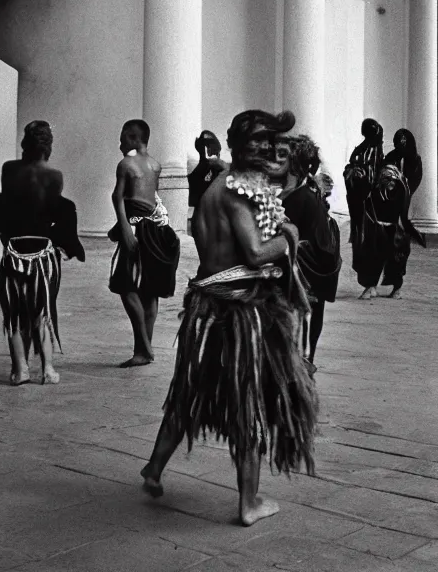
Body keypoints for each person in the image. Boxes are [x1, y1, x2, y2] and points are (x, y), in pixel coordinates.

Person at [140, 110, 318, 527]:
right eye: (258, 139)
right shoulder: (235, 190)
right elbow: (256, 252)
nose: (267, 147)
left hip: (210, 307)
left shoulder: (225, 183)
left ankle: (153, 469)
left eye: (271, 140)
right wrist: (289, 235)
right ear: (239, 143)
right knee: (249, 404)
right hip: (237, 315)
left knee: (188, 394)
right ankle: (248, 502)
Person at [0, 120, 85, 386]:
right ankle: (48, 370)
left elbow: (8, 208)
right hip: (43, 252)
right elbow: (52, 210)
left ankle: (20, 370)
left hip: (14, 250)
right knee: (43, 311)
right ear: (48, 146)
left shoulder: (9, 169)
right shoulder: (54, 176)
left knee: (15, 313)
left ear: (25, 143)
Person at [108, 119, 180, 368]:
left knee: (125, 286)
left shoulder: (126, 164)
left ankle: (145, 348)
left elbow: (119, 198)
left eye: (122, 138)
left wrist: (126, 230)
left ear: (133, 137)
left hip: (139, 230)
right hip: (154, 229)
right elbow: (147, 200)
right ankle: (142, 350)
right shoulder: (155, 165)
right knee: (149, 292)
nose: (119, 143)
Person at [267, 135, 341, 368]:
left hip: (301, 285)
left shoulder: (306, 199)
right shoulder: (282, 195)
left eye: (281, 156)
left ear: (294, 164)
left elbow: (321, 251)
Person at [354, 163, 425, 299]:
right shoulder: (376, 191)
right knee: (372, 258)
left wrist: (413, 233)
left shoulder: (402, 192)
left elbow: (403, 217)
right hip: (377, 230)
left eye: (393, 180)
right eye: (387, 180)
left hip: (394, 231)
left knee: (397, 261)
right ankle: (371, 287)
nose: (390, 183)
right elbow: (367, 206)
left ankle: (396, 289)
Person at [343, 118, 384, 299]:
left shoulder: (377, 154)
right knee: (364, 244)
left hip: (373, 210)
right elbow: (351, 173)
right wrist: (353, 174)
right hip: (361, 208)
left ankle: (371, 284)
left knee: (372, 245)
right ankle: (369, 283)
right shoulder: (361, 151)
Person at [187, 131, 228, 226]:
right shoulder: (200, 169)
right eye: (205, 145)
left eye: (210, 145)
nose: (208, 149)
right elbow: (192, 194)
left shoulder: (222, 168)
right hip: (202, 215)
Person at [384, 129, 422, 197]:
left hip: (405, 195)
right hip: (392, 196)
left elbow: (416, 179)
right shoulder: (390, 156)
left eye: (404, 144)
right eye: (398, 145)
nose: (401, 147)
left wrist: (407, 192)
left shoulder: (415, 159)